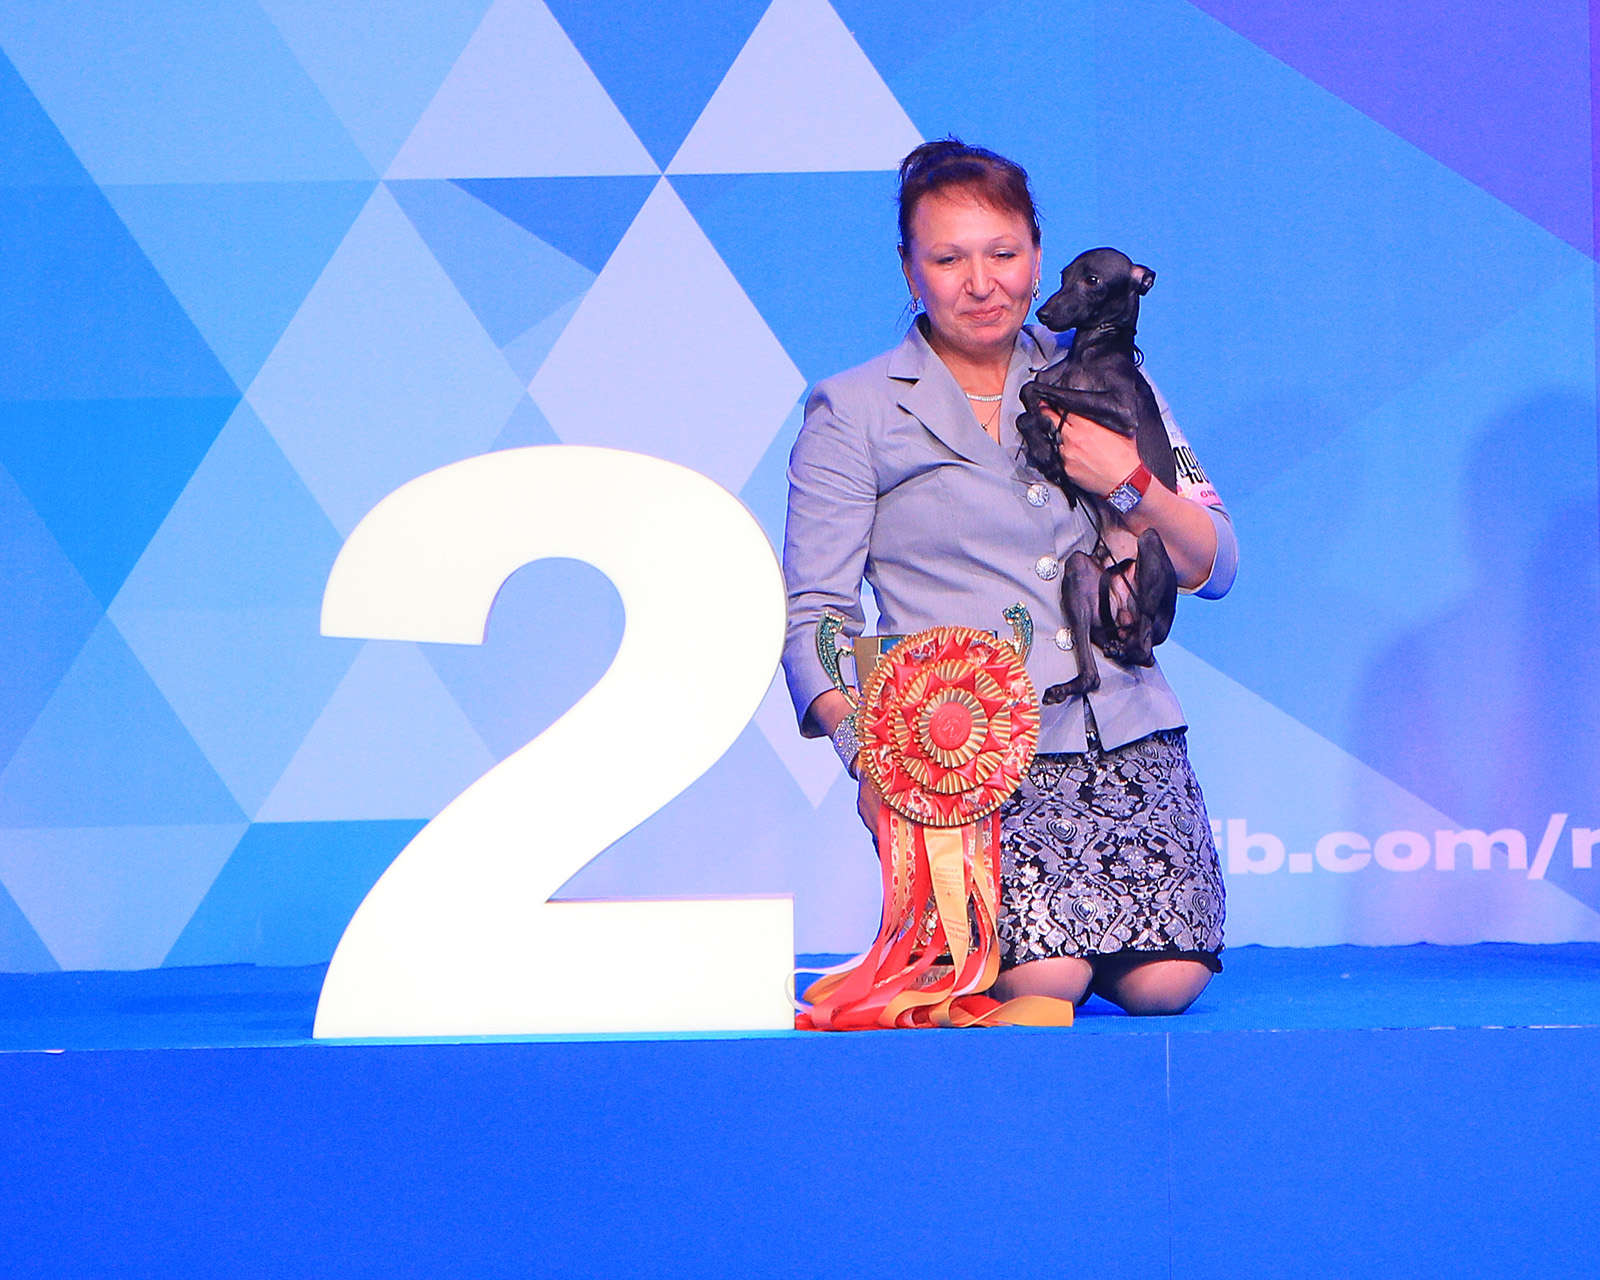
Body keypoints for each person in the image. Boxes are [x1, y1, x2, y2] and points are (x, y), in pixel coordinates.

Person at [781, 139, 1236, 1016]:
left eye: (1003, 253)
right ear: (909, 269)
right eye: (948, 259)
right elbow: (818, 619)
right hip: (967, 758)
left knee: (1169, 985)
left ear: (1037, 257)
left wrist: (1130, 483)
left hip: (1127, 726)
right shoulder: (855, 409)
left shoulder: (1108, 373)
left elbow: (1213, 560)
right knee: (1046, 980)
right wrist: (873, 760)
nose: (981, 283)